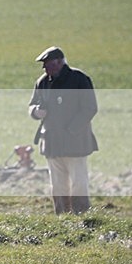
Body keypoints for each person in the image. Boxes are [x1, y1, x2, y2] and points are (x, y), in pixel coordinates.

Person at [28, 46, 98, 214]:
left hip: (75, 142)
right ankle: (62, 217)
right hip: (52, 142)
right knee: (58, 184)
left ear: (59, 62)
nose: (44, 68)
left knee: (78, 183)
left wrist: (72, 130)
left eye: (47, 63)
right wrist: (36, 111)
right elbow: (32, 105)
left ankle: (82, 217)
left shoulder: (79, 79)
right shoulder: (42, 82)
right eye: (44, 65)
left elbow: (90, 108)